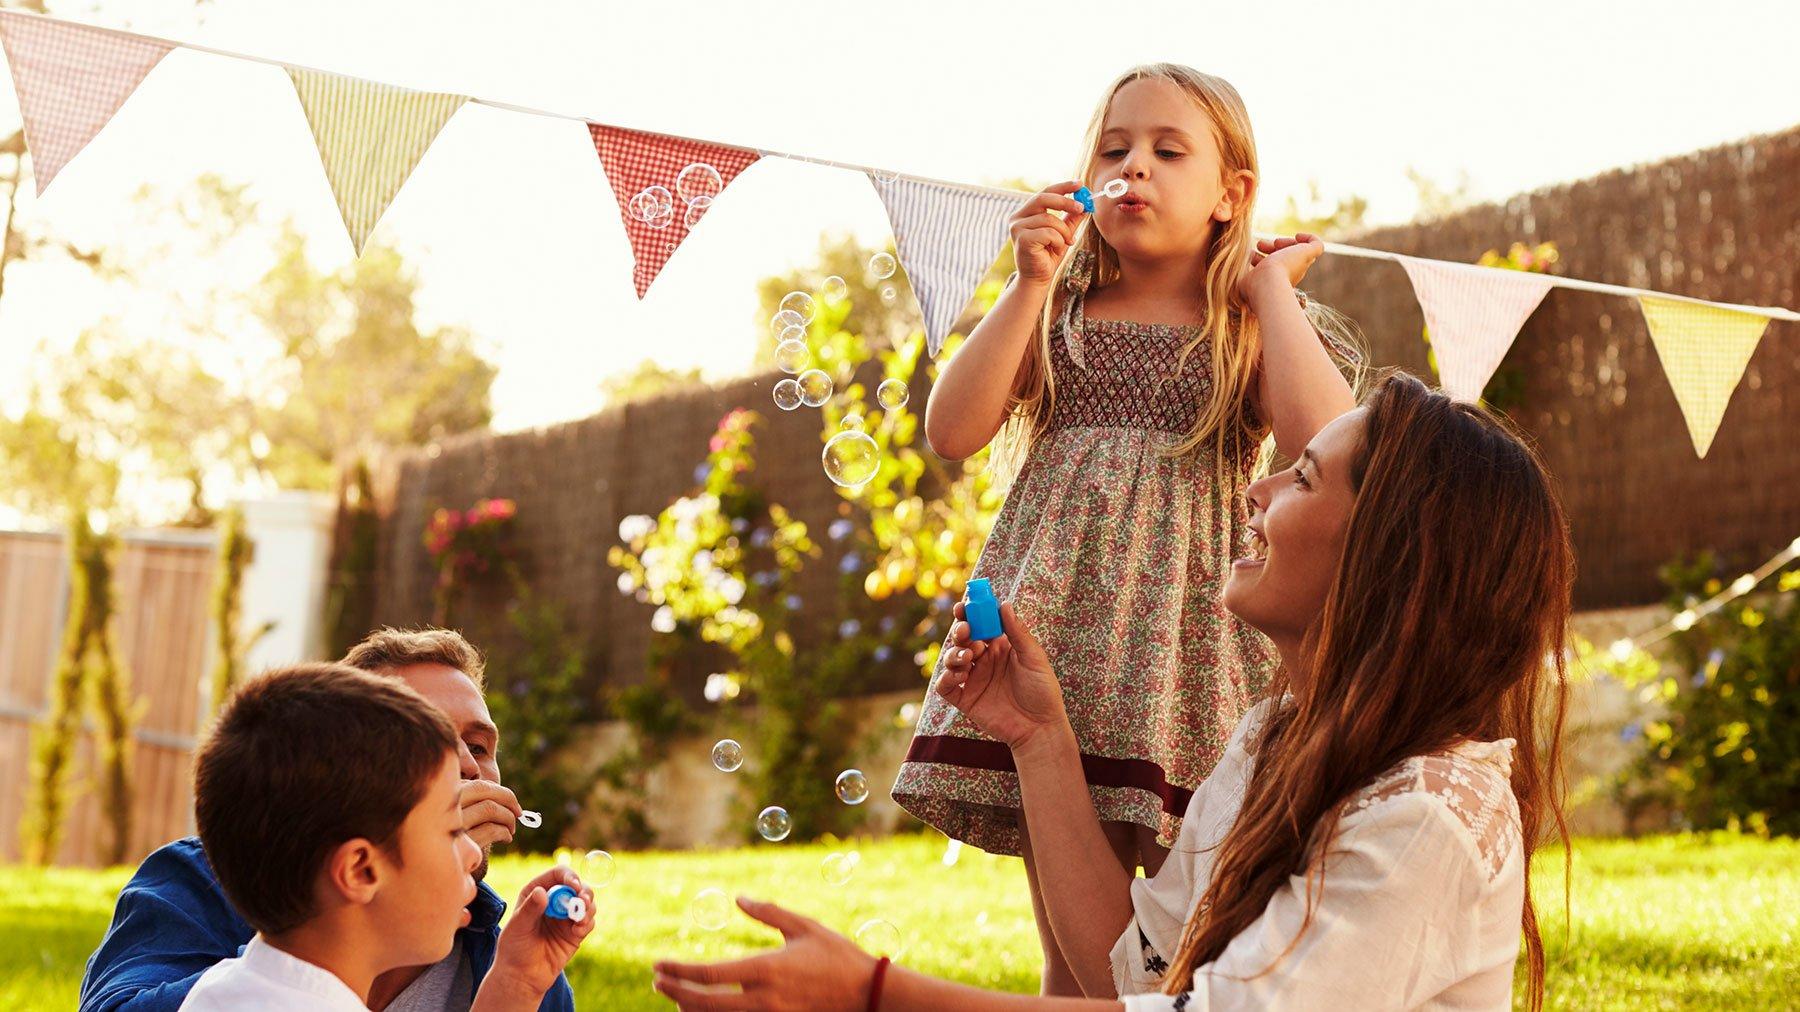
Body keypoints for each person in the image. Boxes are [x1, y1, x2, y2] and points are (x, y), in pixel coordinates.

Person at [654, 373, 1571, 1012]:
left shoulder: (1431, 812)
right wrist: (1039, 740)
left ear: (1391, 553)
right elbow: (1135, 979)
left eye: (1301, 477)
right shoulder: (1268, 742)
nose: (1253, 491)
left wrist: (876, 995)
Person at [891, 62, 1364, 995]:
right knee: (1073, 945)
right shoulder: (1060, 310)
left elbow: (1334, 446)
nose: (1133, 166)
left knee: (1194, 924)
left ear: (1232, 195)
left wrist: (1271, 288)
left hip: (1190, 650)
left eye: (1166, 150)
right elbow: (952, 432)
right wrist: (1028, 280)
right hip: (1056, 646)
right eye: (1114, 149)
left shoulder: (1247, 325)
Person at [80, 628, 578, 1011]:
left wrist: (512, 985)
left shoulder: (514, 958)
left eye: (477, 746)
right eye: (431, 747)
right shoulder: (207, 878)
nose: (467, 768)